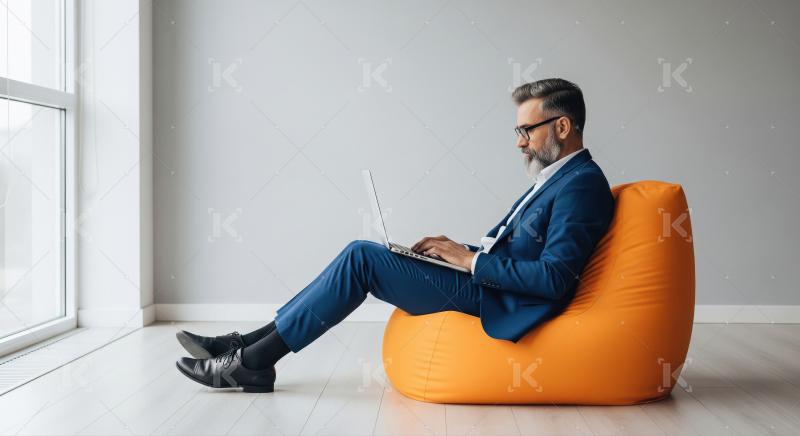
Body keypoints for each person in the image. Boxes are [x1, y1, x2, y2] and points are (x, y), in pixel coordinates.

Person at [174, 78, 615, 393]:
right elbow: (519, 246)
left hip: (504, 301)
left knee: (362, 258)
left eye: (527, 130)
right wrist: (462, 249)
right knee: (362, 253)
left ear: (562, 126)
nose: (520, 142)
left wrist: (471, 262)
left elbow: (555, 278)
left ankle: (253, 362)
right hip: (489, 283)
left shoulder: (582, 184)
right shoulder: (558, 177)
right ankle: (248, 344)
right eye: (518, 131)